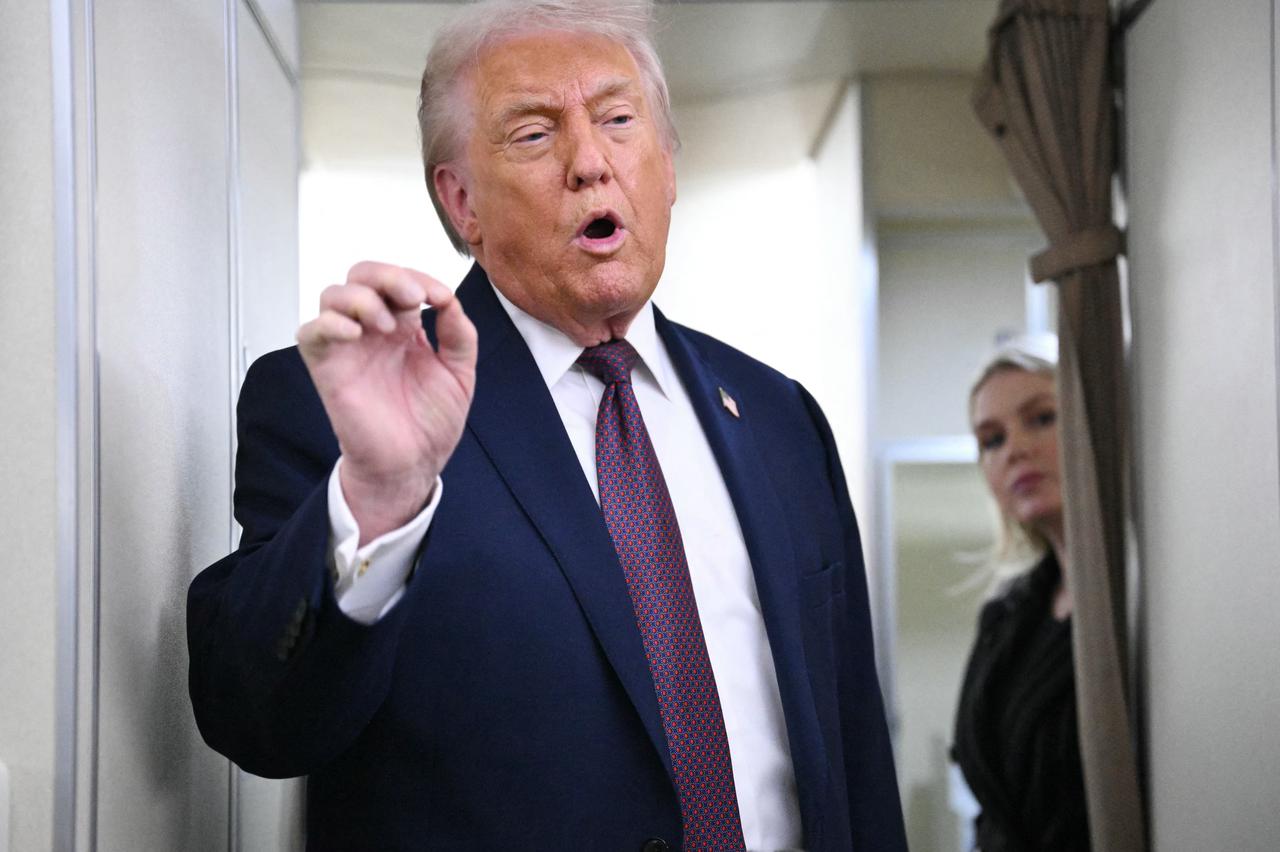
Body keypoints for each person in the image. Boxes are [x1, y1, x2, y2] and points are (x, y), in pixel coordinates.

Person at [187, 1, 906, 849]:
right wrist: (379, 497)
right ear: (461, 203)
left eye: (618, 120)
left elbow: (856, 757)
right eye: (533, 135)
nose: (590, 163)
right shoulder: (340, 409)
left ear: (667, 166)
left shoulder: (782, 420)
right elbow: (259, 722)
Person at [951, 336, 1090, 851]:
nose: (1014, 450)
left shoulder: (1145, 605)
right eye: (991, 440)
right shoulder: (1006, 616)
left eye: (1041, 418)